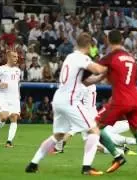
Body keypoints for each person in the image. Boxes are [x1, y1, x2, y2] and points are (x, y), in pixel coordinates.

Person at [25, 33, 108, 176]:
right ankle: (87, 167)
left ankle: (33, 164)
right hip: (71, 101)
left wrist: (102, 76)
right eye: (91, 47)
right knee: (94, 130)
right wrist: (110, 67)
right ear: (88, 46)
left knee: (58, 135)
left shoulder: (70, 57)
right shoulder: (82, 58)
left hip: (58, 100)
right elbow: (97, 69)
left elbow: (86, 81)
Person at [84, 30, 137, 173]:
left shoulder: (110, 57)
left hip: (120, 99)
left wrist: (81, 75)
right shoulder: (131, 58)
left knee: (94, 127)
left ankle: (117, 156)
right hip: (135, 98)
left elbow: (96, 71)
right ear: (122, 40)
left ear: (108, 41)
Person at [0, 48, 21, 148]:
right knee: (3, 117)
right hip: (4, 97)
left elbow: (17, 84)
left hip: (15, 98)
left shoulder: (18, 70)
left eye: (17, 56)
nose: (16, 58)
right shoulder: (1, 69)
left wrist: (19, 95)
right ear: (8, 57)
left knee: (14, 118)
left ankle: (9, 142)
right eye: (14, 56)